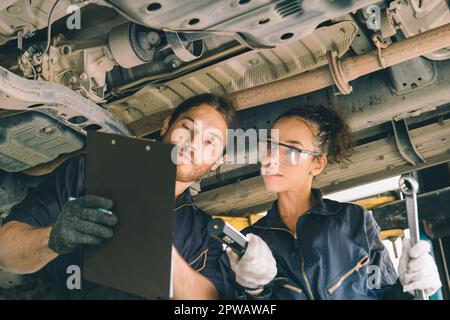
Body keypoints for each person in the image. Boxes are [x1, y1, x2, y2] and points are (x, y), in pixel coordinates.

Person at [0, 93, 241, 300]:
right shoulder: (90, 171)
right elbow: (5, 251)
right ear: (167, 125)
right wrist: (54, 238)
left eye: (210, 142)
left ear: (218, 161)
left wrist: (165, 257)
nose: (193, 144)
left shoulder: (205, 235)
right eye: (187, 128)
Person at [226, 105, 442, 299]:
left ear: (317, 164)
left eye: (291, 150)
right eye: (270, 146)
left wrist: (409, 288)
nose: (272, 159)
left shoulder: (355, 221)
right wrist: (253, 291)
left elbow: (385, 295)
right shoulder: (250, 241)